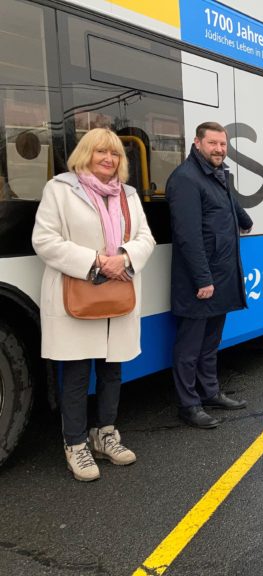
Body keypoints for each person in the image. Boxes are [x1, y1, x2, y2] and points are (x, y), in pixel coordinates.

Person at [32, 128, 156, 481]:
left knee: (111, 369)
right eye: (101, 151)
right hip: (78, 291)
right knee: (74, 374)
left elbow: (146, 237)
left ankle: (105, 433)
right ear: (85, 154)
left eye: (115, 153)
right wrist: (96, 261)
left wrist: (126, 257)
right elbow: (44, 240)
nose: (109, 159)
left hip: (118, 292)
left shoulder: (128, 194)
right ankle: (75, 443)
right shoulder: (60, 190)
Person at [166, 122, 253, 429]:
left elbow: (229, 206)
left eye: (223, 144)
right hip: (200, 282)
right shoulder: (186, 179)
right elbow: (188, 237)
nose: (219, 149)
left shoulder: (218, 175)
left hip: (222, 277)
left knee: (210, 342)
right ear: (197, 143)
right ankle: (188, 405)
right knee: (189, 347)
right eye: (213, 143)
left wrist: (245, 219)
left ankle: (211, 392)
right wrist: (203, 280)